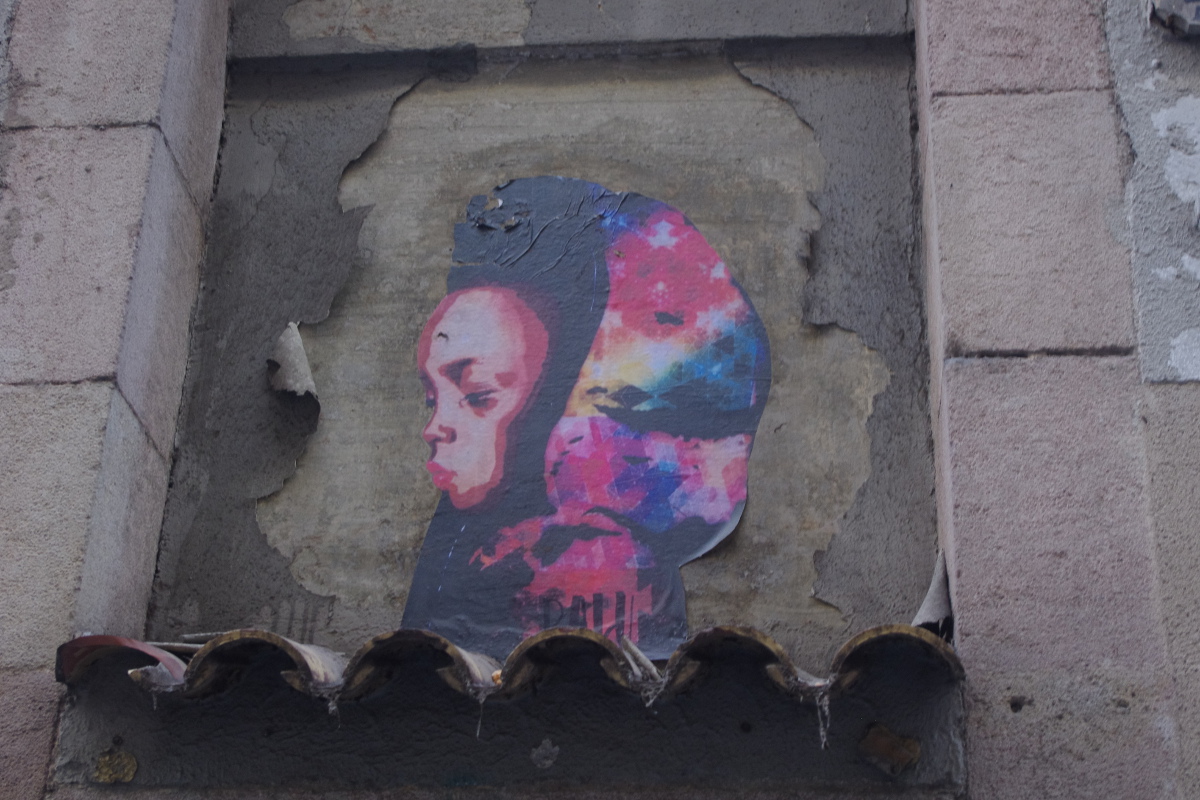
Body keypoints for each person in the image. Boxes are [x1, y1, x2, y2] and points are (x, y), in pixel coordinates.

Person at [402, 178, 771, 660]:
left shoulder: (606, 559)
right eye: (431, 398)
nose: (433, 429)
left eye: (477, 394)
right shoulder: (462, 573)